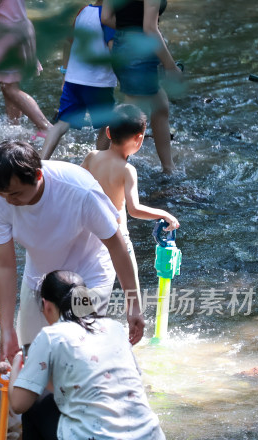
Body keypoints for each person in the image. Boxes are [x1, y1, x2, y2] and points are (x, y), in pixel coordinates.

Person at [0, 139, 144, 363]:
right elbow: (4, 265)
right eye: (4, 194)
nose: (9, 201)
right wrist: (6, 329)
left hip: (88, 275)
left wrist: (133, 305)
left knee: (78, 356)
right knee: (32, 357)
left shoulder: (78, 190)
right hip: (40, 275)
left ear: (38, 176)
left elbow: (117, 245)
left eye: (16, 194)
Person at [8, 270, 166, 440]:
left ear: (46, 305)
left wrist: (17, 368)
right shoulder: (115, 328)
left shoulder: (51, 335)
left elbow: (18, 404)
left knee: (34, 407)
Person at [81, 103, 180, 298]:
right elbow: (134, 209)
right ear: (139, 139)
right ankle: (133, 322)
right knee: (131, 291)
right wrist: (164, 213)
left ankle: (84, 321)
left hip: (88, 232)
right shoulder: (127, 170)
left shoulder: (92, 157)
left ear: (108, 132)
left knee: (88, 284)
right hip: (116, 236)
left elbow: (76, 186)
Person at [101, 0, 182, 174]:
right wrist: (171, 66)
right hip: (138, 52)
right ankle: (108, 173)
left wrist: (129, 27)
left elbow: (106, 17)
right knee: (130, 123)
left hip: (121, 47)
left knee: (160, 107)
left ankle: (168, 169)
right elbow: (150, 29)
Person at [41, 0, 117, 160]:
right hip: (99, 82)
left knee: (61, 124)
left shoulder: (82, 12)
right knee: (107, 124)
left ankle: (41, 161)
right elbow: (113, 50)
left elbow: (68, 42)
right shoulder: (110, 17)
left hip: (73, 80)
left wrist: (65, 73)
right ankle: (100, 163)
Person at [0, 0, 53, 137]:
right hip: (22, 27)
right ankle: (14, 128)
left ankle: (45, 126)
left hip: (8, 32)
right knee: (8, 82)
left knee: (10, 88)